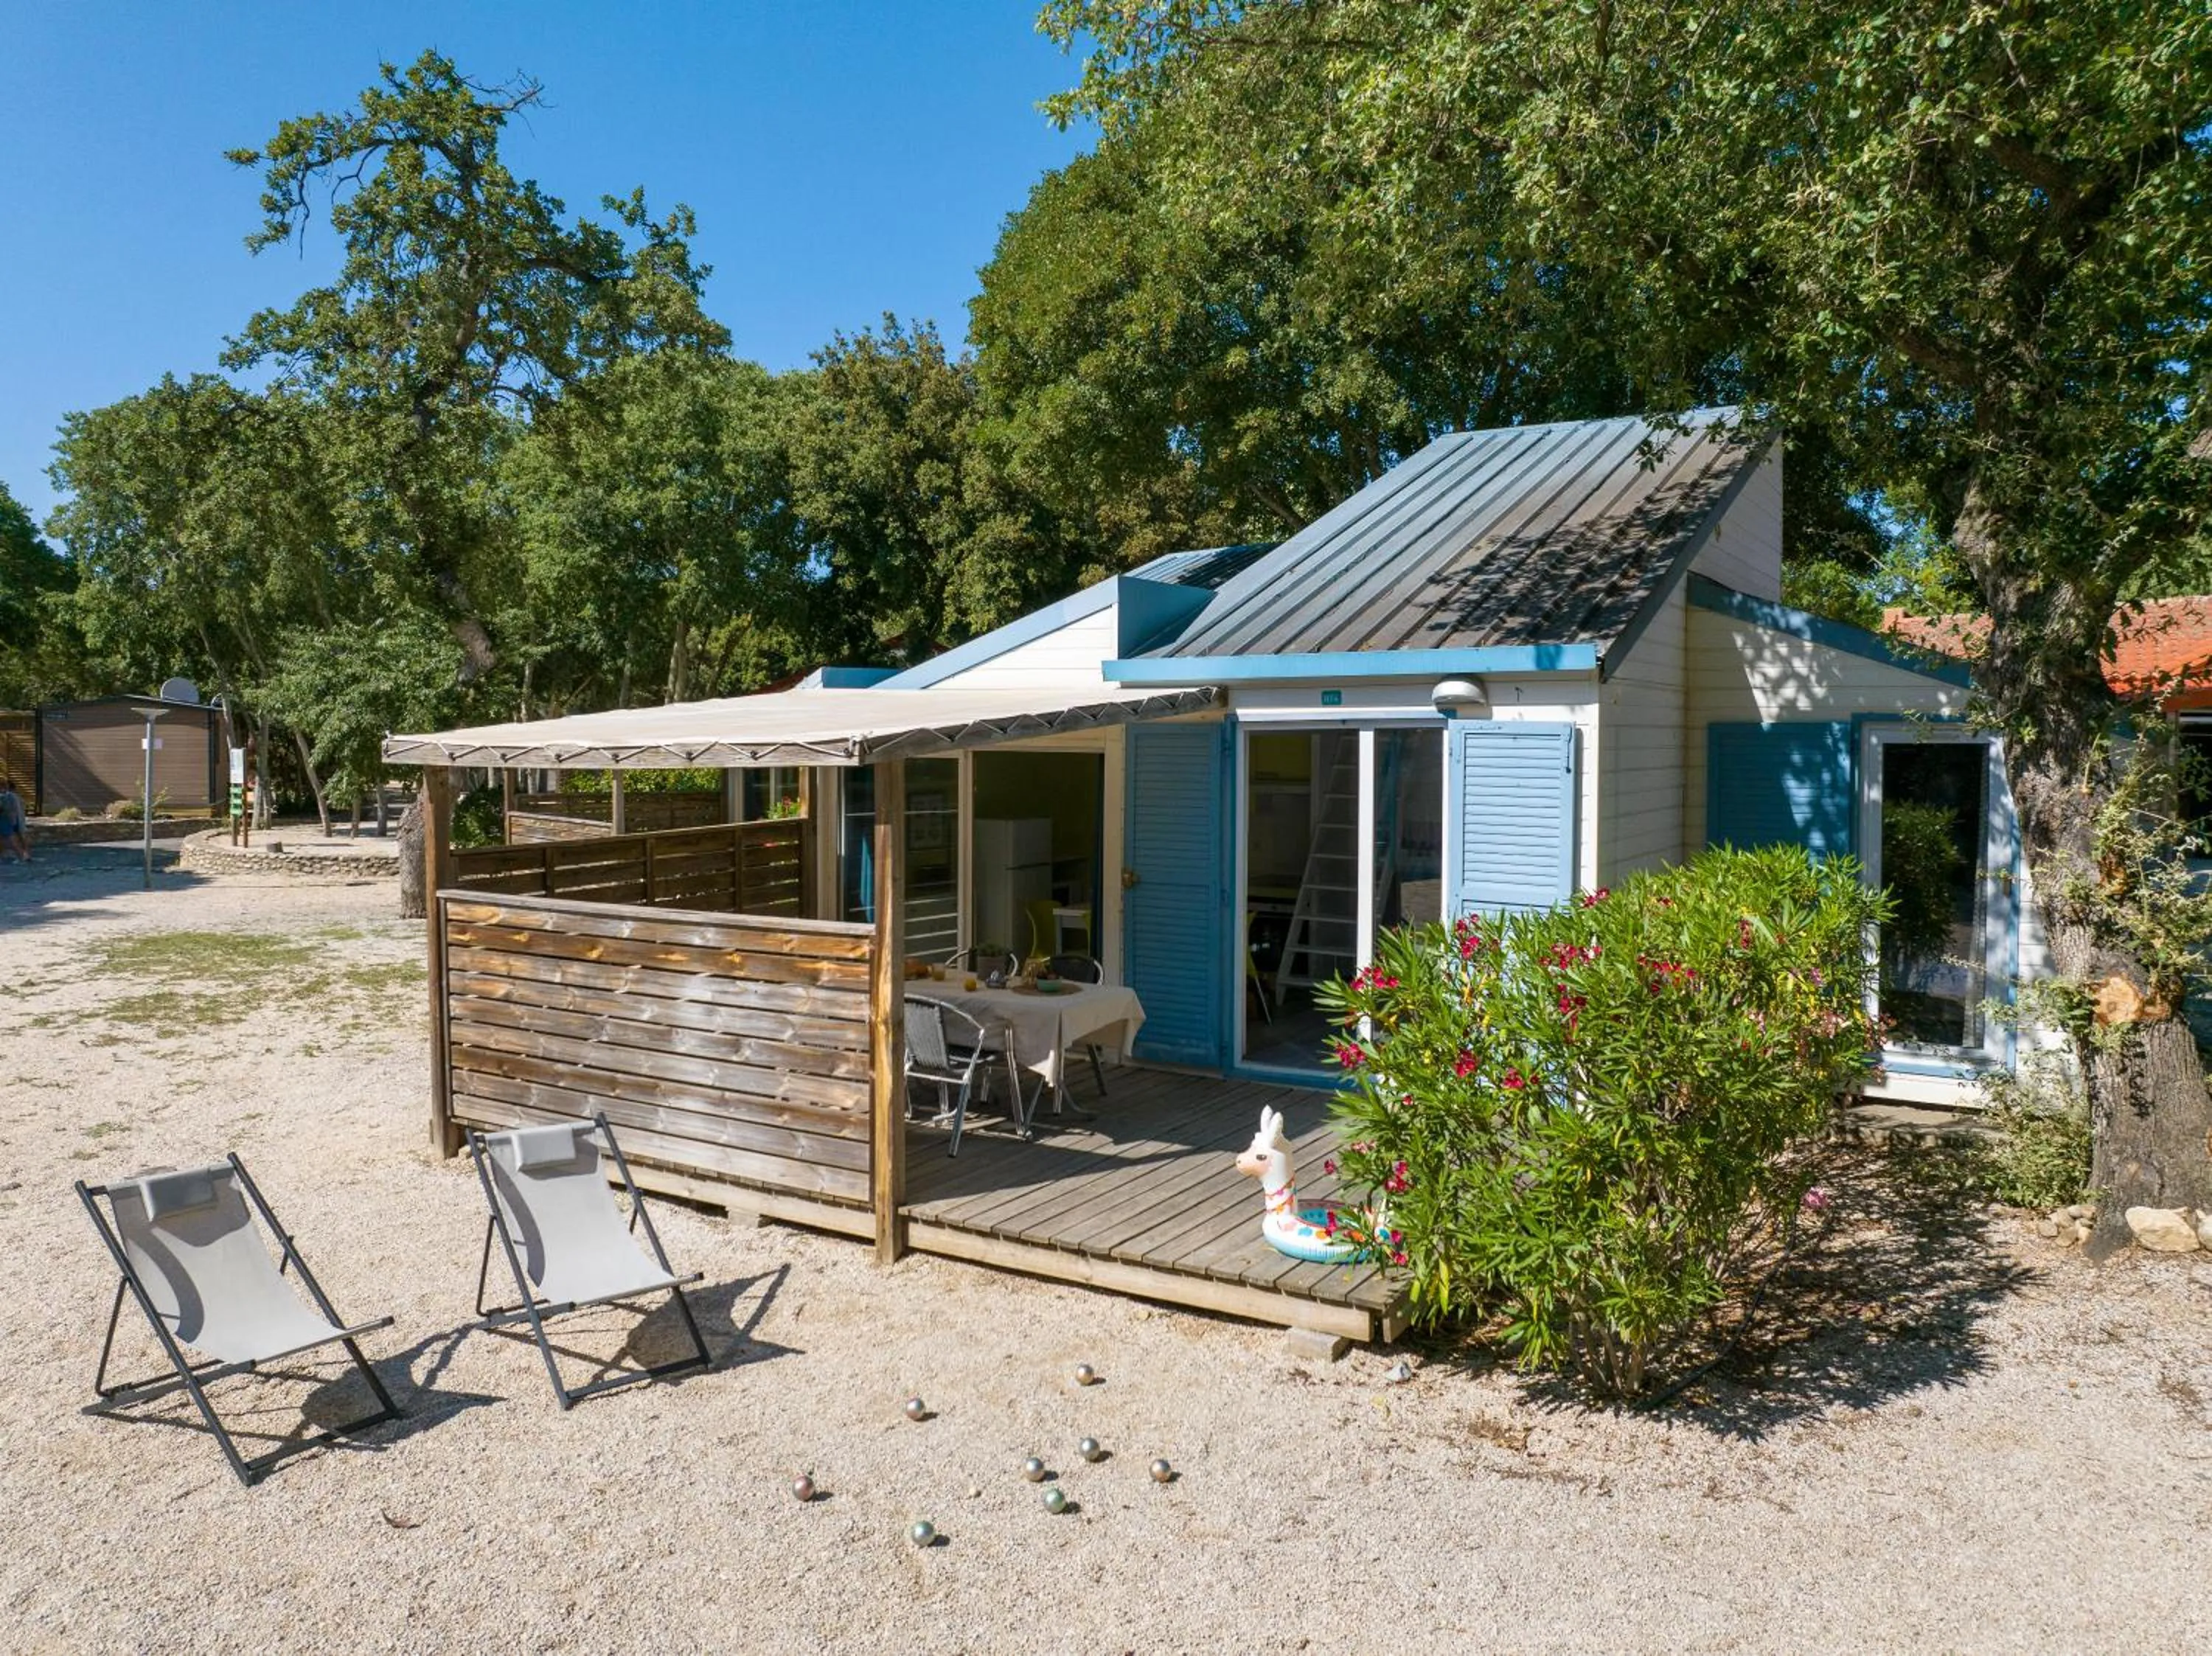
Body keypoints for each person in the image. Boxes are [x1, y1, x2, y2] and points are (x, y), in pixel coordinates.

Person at [0, 777, 27, 863]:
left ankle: (21, 856)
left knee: (11, 840)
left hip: (5, 820)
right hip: (5, 819)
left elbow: (6, 809)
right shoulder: (7, 796)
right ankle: (2, 855)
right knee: (2, 839)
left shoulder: (7, 797)